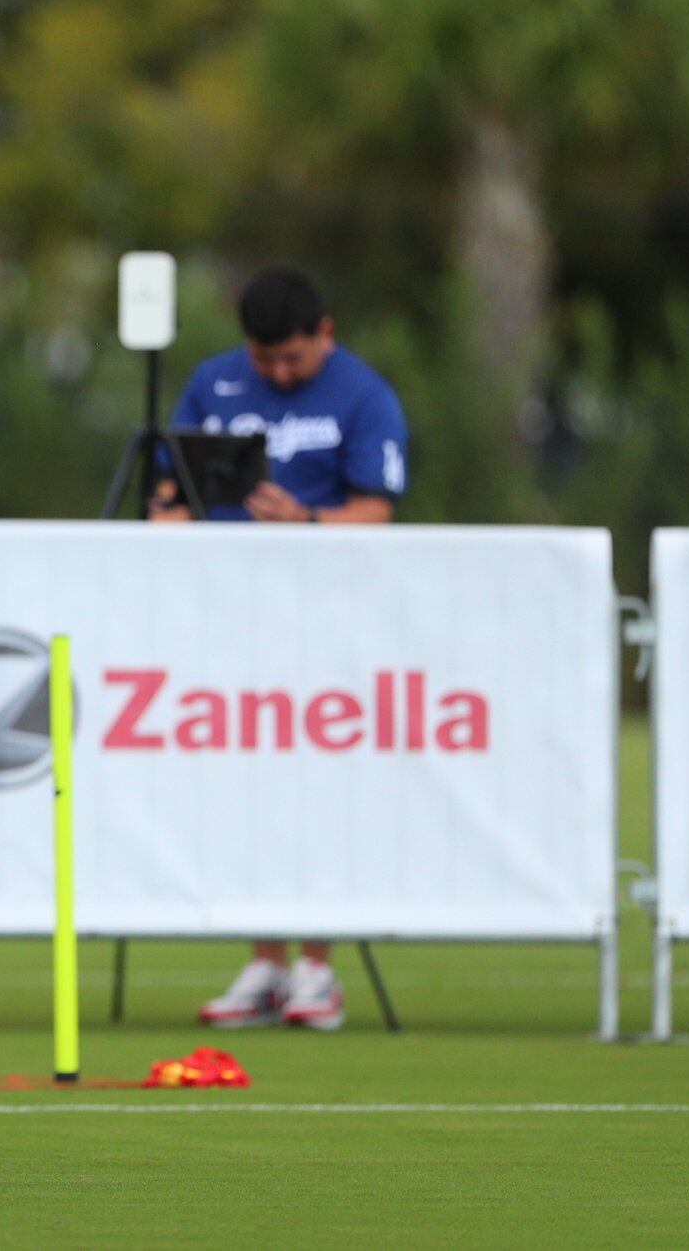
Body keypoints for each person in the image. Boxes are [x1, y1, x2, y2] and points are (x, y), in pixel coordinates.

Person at [150, 265, 408, 1032]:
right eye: (264, 359)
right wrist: (172, 518)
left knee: (315, 783)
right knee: (243, 782)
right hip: (226, 617)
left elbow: (379, 510)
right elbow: (169, 491)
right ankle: (265, 959)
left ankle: (316, 966)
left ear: (325, 332)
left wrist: (306, 522)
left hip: (324, 624)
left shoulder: (364, 395)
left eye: (292, 358)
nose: (277, 373)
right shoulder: (213, 382)